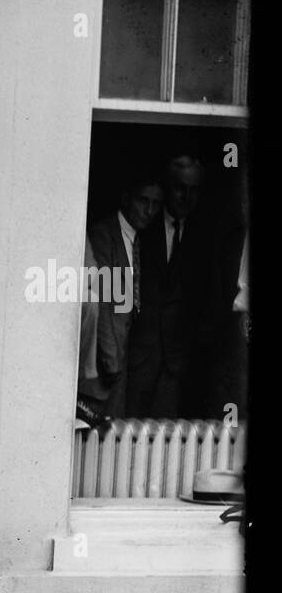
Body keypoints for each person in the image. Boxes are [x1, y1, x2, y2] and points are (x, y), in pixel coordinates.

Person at [127, 153, 207, 418]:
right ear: (168, 186)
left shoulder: (204, 234)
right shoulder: (143, 224)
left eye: (194, 190)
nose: (186, 197)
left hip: (176, 362)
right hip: (139, 355)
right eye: (180, 188)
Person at [79, 171, 163, 420]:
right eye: (143, 201)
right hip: (105, 367)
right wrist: (111, 362)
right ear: (127, 198)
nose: (149, 210)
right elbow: (102, 302)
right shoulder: (104, 234)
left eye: (156, 204)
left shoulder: (140, 240)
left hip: (122, 363)